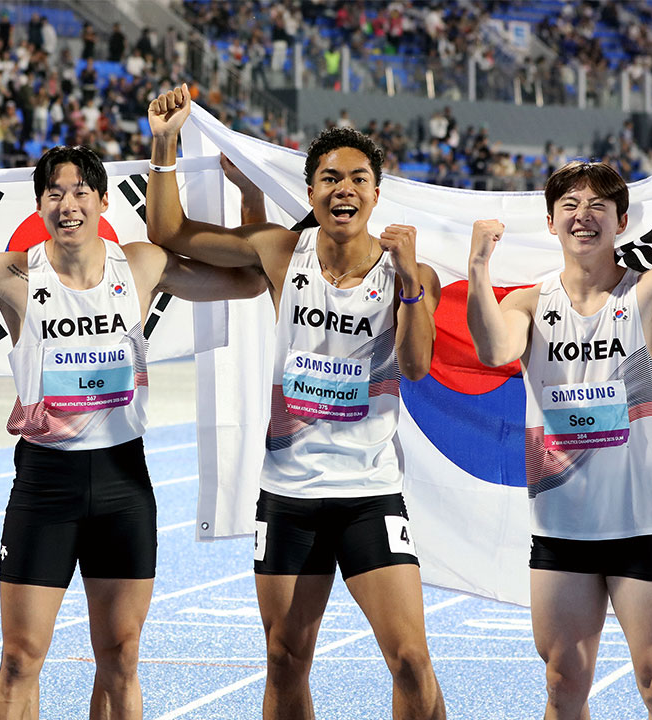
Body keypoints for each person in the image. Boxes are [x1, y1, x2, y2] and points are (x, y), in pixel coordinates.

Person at [0, 144, 264, 720]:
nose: (67, 205)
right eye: (54, 194)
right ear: (39, 204)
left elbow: (249, 282)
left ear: (103, 201)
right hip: (46, 486)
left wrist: (250, 192)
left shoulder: (140, 264)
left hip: (123, 484)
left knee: (121, 657)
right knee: (20, 659)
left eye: (80, 193)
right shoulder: (11, 273)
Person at [146, 85, 446, 720]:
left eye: (358, 179)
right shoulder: (281, 252)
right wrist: (164, 142)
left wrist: (411, 276)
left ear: (375, 193)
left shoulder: (412, 276)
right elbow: (169, 232)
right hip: (289, 496)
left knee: (412, 661)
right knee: (284, 659)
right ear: (310, 193)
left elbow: (417, 366)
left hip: (370, 494)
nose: (344, 188)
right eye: (330, 178)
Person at [464, 133, 652, 720]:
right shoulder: (529, 305)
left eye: (598, 207)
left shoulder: (649, 294)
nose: (584, 217)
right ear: (552, 222)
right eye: (570, 207)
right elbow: (493, 348)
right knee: (563, 684)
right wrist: (479, 269)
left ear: (621, 221)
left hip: (638, 525)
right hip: (561, 530)